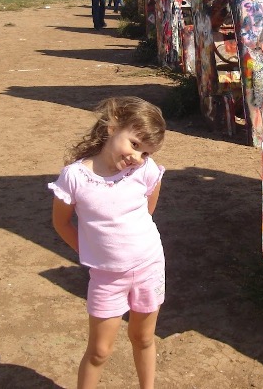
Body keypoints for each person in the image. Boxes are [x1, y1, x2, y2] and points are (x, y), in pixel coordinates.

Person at [49, 97, 167, 389]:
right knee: (99, 351)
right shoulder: (75, 177)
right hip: (105, 278)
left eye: (146, 152)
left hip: (149, 266)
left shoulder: (146, 171)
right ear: (113, 127)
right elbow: (61, 222)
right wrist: (91, 251)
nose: (138, 157)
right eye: (135, 144)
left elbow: (147, 210)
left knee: (143, 338)